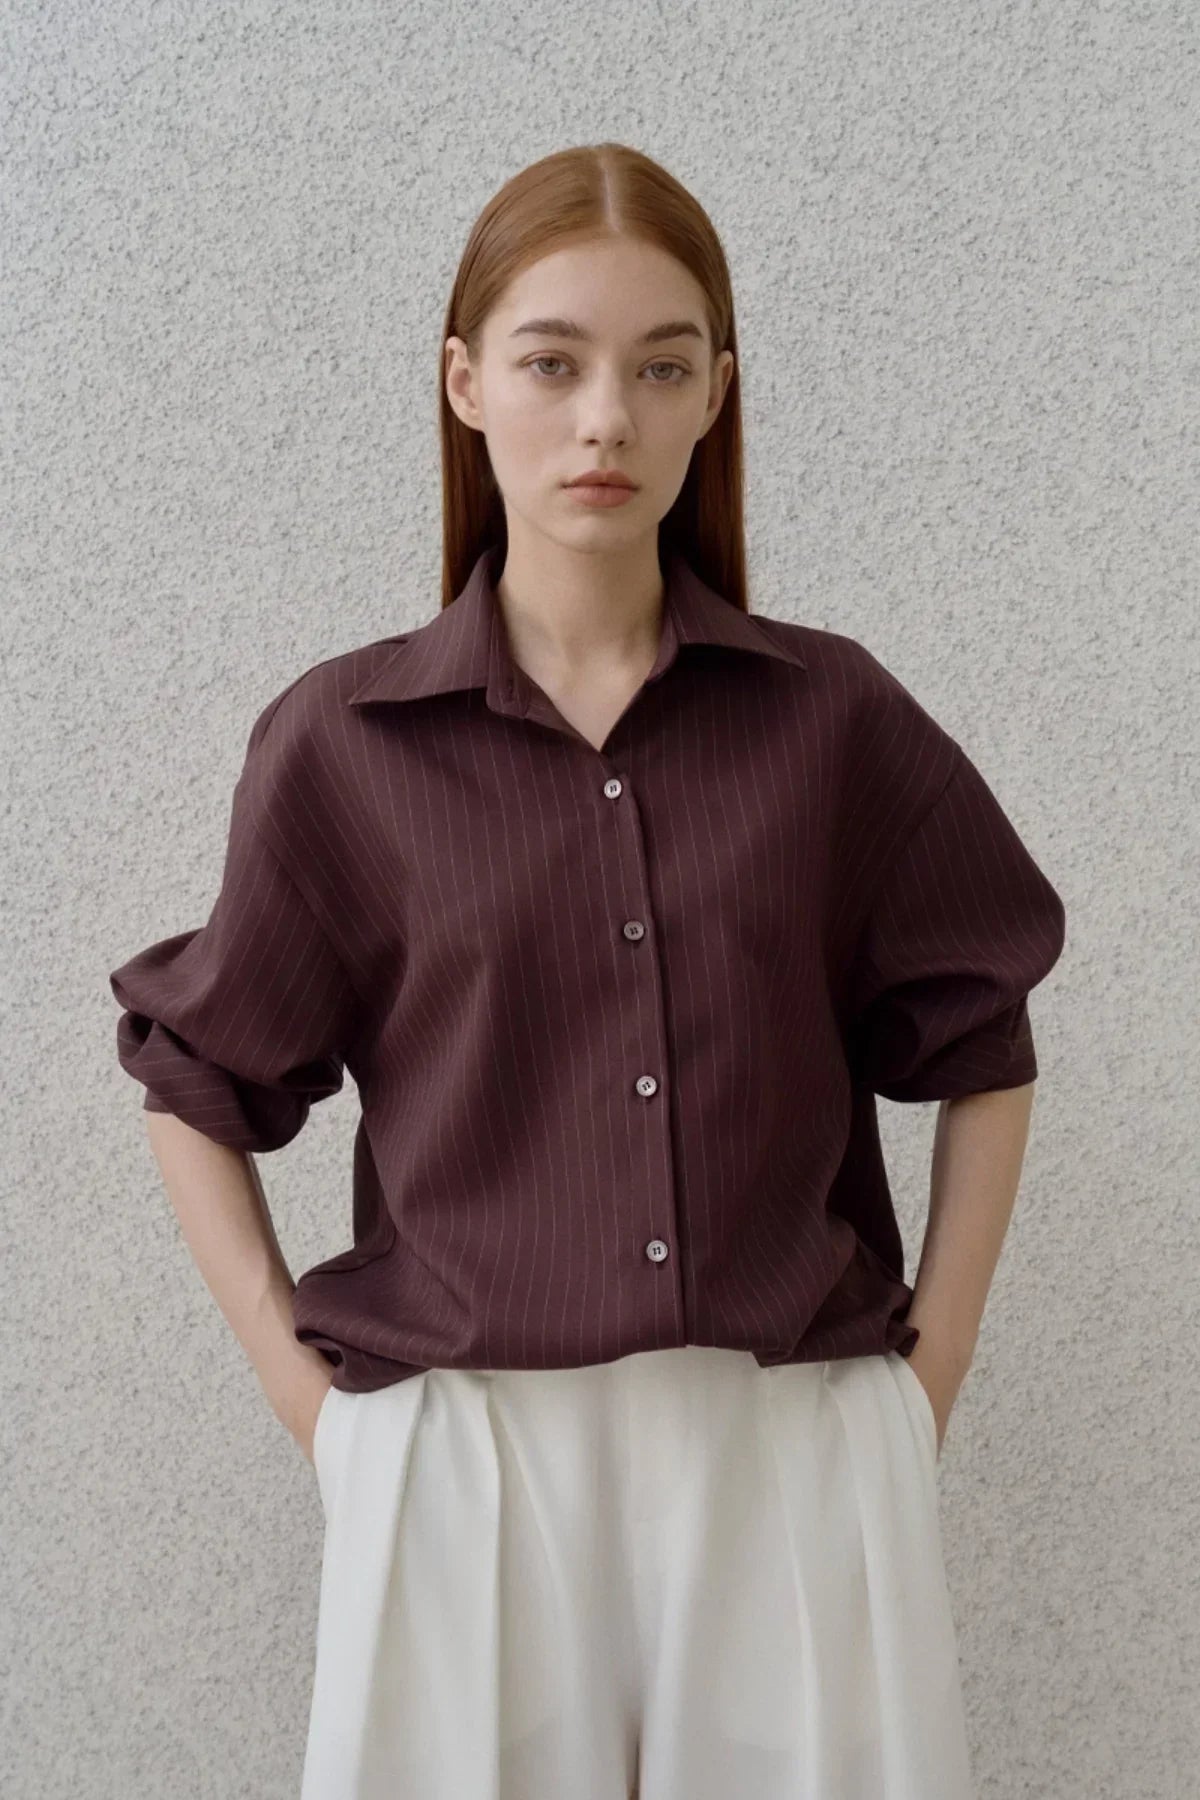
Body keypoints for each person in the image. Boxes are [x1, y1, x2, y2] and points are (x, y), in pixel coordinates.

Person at [108, 142, 1067, 1800]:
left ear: (717, 397)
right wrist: (322, 1417)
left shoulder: (833, 723)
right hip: (466, 1461)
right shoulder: (343, 745)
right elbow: (198, 1078)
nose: (605, 418)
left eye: (660, 366)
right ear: (468, 385)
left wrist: (933, 1384)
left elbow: (983, 1037)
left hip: (788, 1453)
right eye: (552, 363)